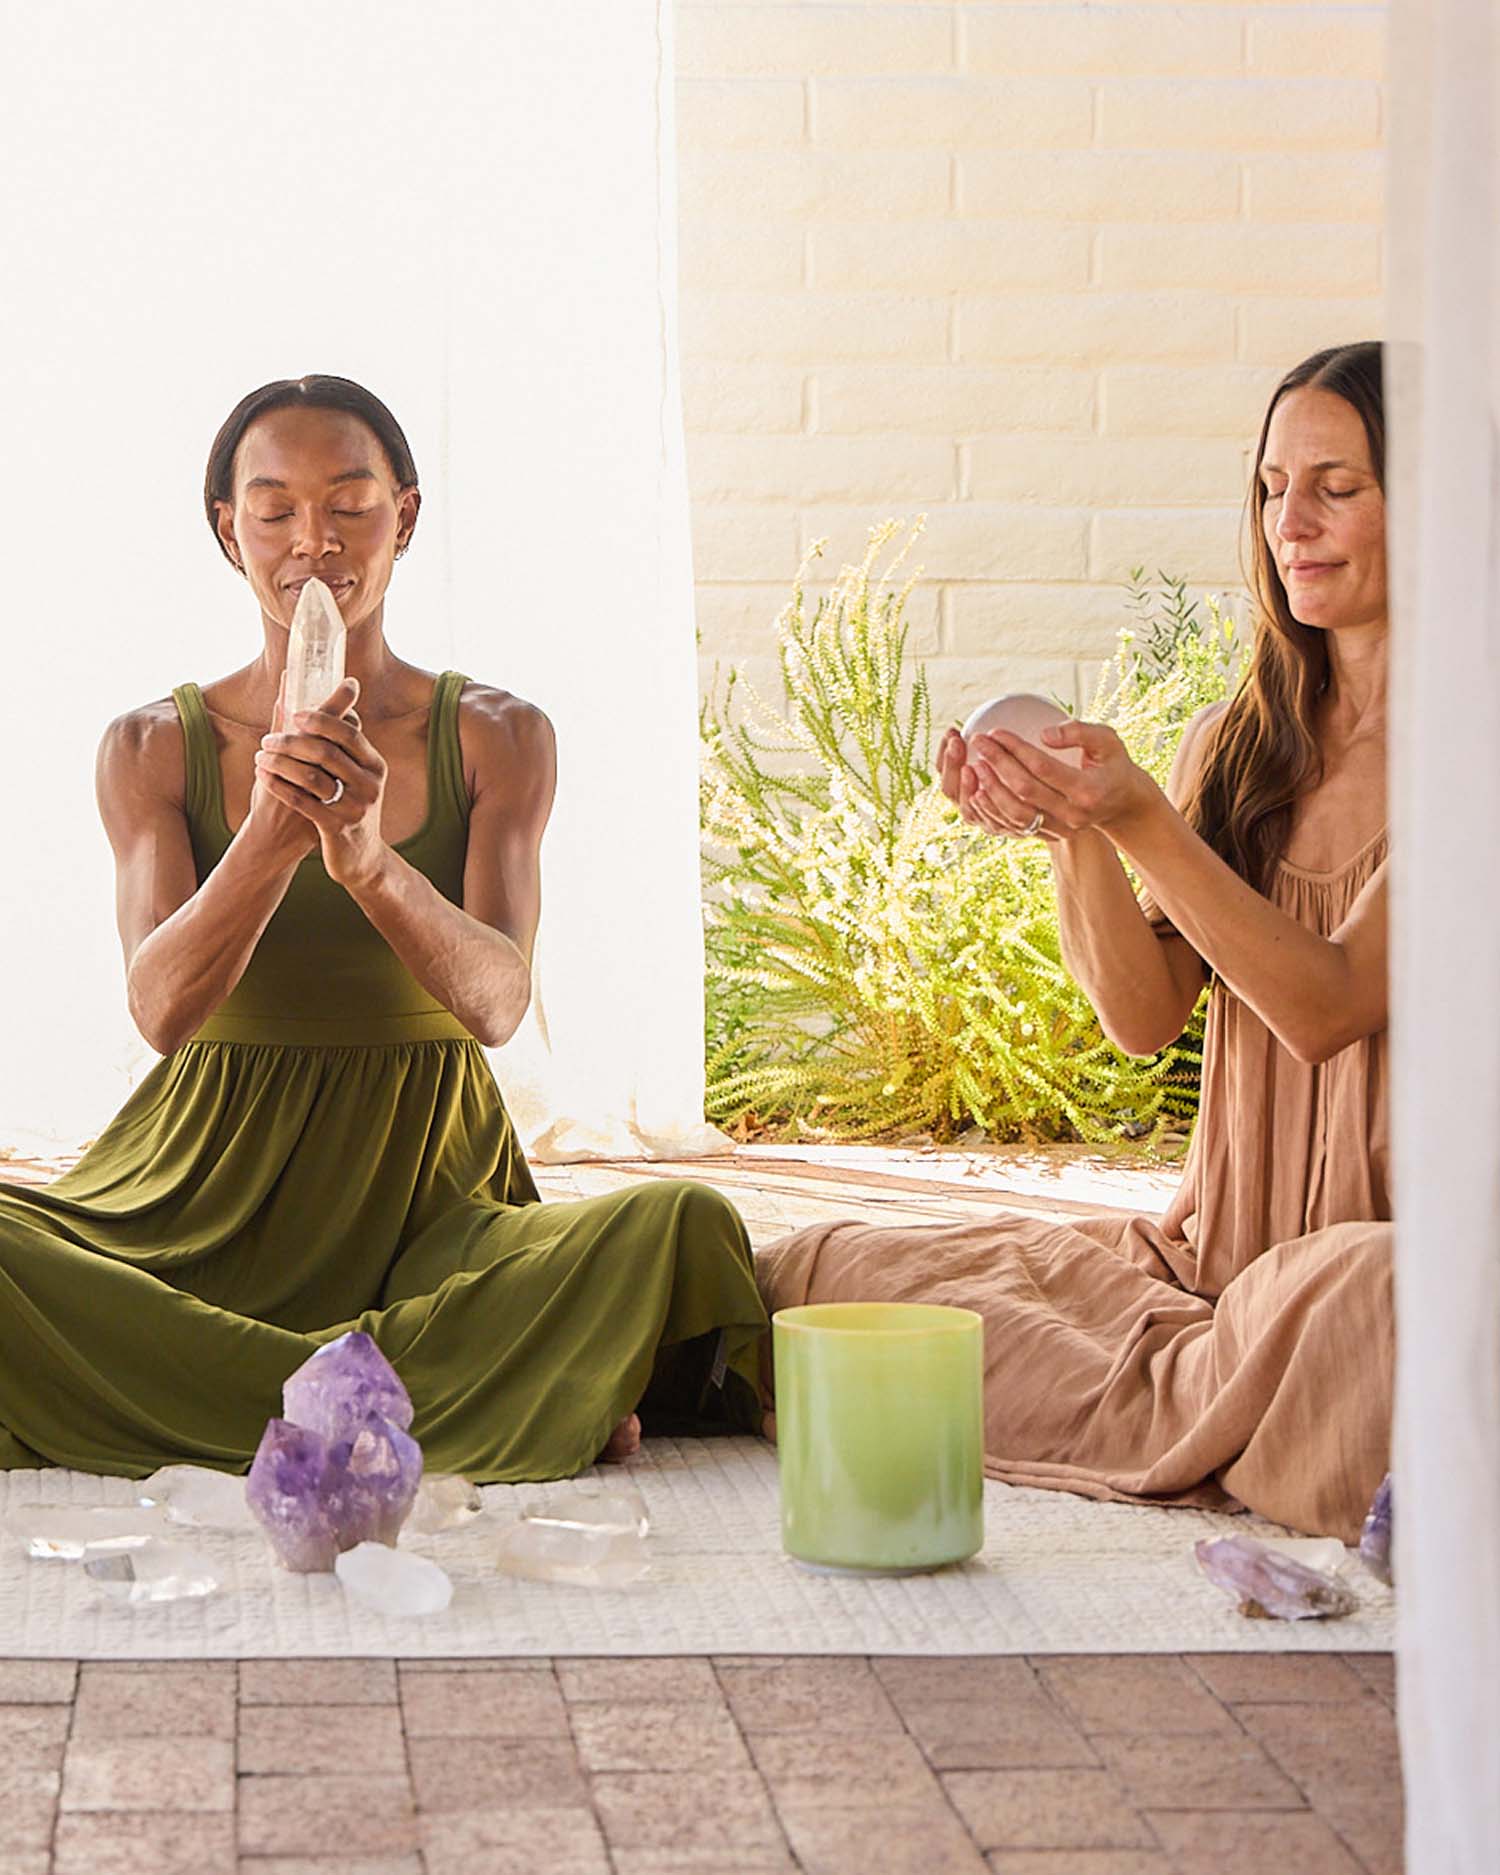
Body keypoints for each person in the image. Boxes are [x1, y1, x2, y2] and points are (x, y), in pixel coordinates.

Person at [0, 374, 766, 1481]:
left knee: (681, 1221)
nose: (314, 543)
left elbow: (498, 1003)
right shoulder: (152, 745)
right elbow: (162, 1008)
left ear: (405, 514)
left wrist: (364, 861)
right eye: (274, 512)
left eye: (350, 504)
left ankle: (246, 1401)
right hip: (196, 1198)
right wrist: (269, 830)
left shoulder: (497, 735)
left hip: (434, 1206)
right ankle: (467, 1396)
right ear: (230, 531)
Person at [757, 342, 1391, 1542]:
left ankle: (1253, 1400)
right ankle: (1238, 1402)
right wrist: (1075, 836)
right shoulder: (1243, 740)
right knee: (831, 1268)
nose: (1289, 523)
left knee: (1376, 1304)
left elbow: (1328, 1005)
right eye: (1269, 488)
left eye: (1336, 487)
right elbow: (1144, 1016)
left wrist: (1141, 816)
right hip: (1205, 1270)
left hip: (1372, 1269)